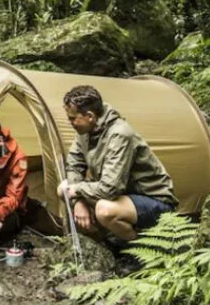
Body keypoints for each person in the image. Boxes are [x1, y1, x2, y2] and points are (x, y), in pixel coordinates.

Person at [56, 84, 177, 242]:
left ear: (90, 116)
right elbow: (73, 166)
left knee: (104, 210)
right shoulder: (85, 131)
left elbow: (110, 188)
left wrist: (77, 190)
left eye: (72, 118)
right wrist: (78, 201)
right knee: (63, 188)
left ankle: (139, 248)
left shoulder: (120, 134)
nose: (69, 122)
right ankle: (106, 242)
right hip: (121, 196)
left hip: (154, 201)